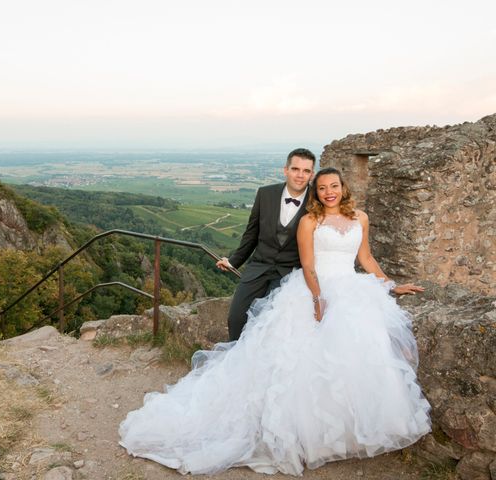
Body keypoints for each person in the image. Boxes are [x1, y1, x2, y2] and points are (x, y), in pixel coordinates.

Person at [119, 167, 431, 476]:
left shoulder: (360, 218)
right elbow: (308, 265)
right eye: (322, 188)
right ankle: (308, 435)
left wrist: (391, 284)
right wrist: (317, 299)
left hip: (352, 291)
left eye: (334, 186)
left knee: (356, 357)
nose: (329, 192)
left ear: (343, 188)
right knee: (301, 364)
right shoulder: (309, 221)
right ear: (316, 192)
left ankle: (345, 434)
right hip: (314, 290)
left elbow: (366, 258)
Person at [217, 148, 316, 341]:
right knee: (236, 318)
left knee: (270, 322)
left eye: (306, 171)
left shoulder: (318, 200)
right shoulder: (265, 194)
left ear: (312, 174)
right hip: (258, 267)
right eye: (296, 169)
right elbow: (251, 233)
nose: (300, 175)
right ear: (285, 170)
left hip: (290, 274)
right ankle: (237, 363)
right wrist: (234, 261)